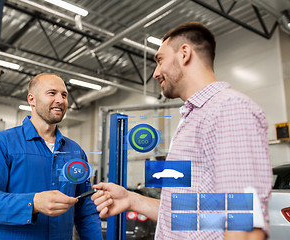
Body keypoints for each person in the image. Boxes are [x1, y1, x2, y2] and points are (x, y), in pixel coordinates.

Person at [91, 22, 272, 240]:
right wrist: (132, 199)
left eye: (159, 60)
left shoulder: (228, 109)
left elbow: (246, 228)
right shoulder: (193, 118)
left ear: (184, 53)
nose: (156, 72)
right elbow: (199, 216)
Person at [0, 73, 102, 239]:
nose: (60, 100)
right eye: (52, 93)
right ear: (32, 99)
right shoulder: (2, 143)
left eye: (64, 95)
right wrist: (33, 203)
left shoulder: (75, 151)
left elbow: (86, 211)